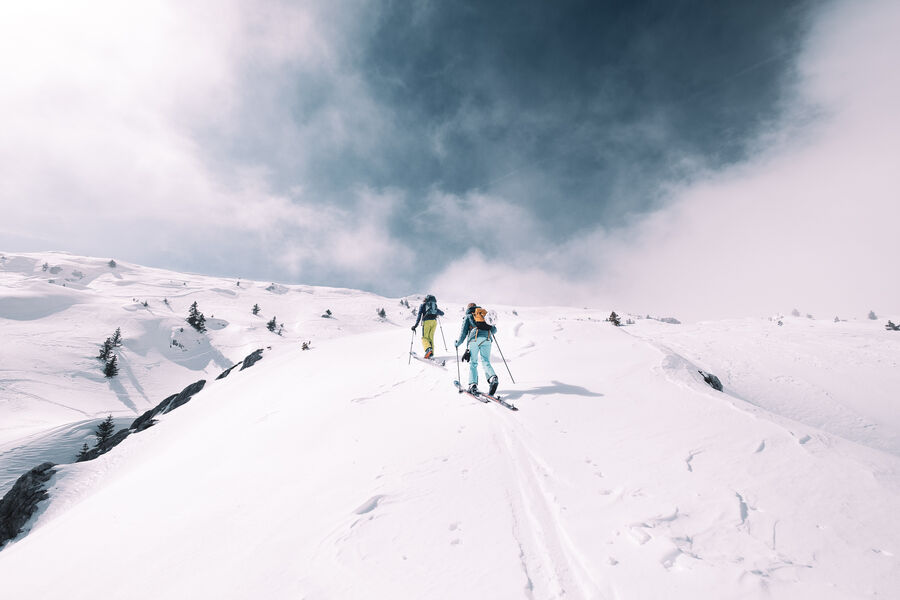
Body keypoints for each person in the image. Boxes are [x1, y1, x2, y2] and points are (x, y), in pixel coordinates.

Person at [454, 302, 498, 395]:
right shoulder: (484, 315)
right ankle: (493, 377)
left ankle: (473, 385)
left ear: (468, 308)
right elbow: (494, 330)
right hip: (487, 339)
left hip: (474, 339)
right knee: (486, 361)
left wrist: (457, 343)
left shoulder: (468, 316)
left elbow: (463, 333)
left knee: (473, 363)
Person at [411, 295, 445, 359]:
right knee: (431, 338)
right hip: (434, 322)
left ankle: (428, 349)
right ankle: (431, 354)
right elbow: (442, 313)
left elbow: (419, 315)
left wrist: (415, 325)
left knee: (424, 337)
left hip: (427, 322)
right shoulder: (434, 306)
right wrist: (436, 312)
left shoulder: (423, 305)